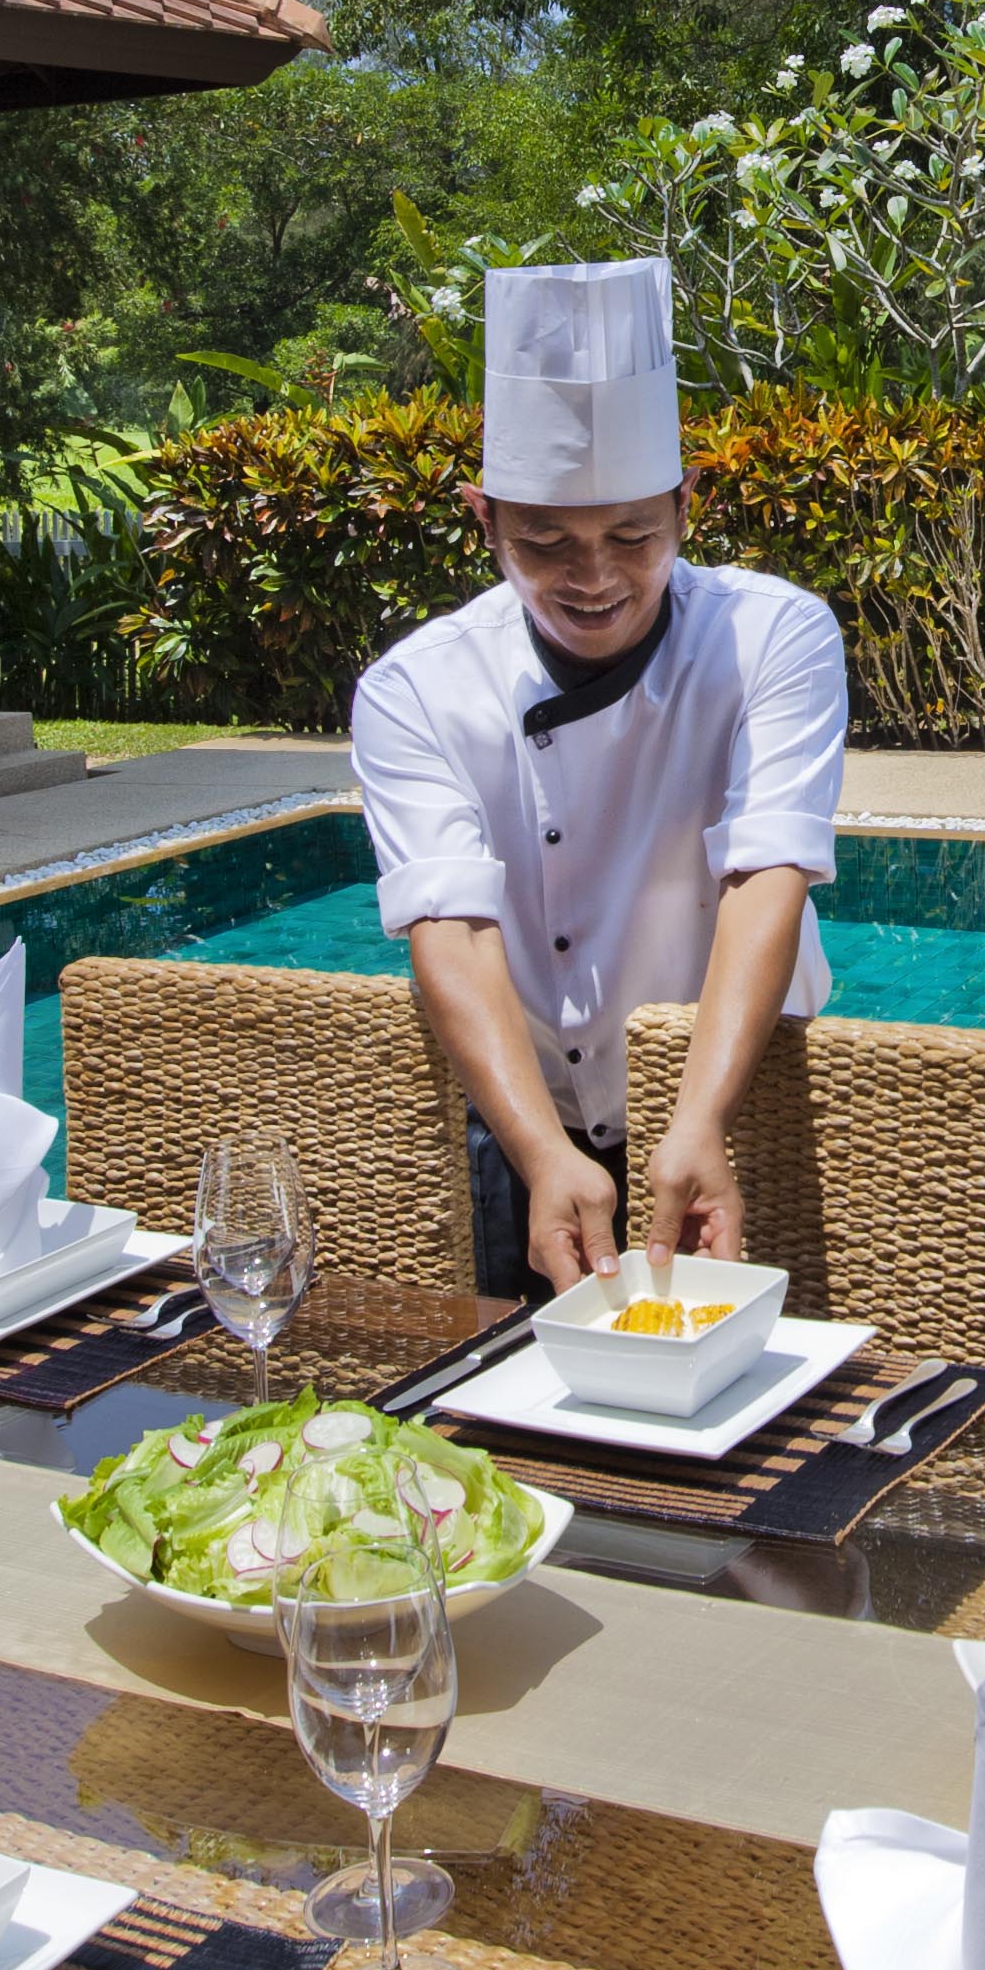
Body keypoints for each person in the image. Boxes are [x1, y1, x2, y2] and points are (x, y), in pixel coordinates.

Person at [353, 258, 849, 1298]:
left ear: (685, 503)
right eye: (545, 541)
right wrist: (539, 1153)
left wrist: (699, 1117)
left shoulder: (773, 634)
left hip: (733, 1095)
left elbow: (766, 872)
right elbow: (450, 923)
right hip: (523, 1114)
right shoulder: (415, 688)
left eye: (633, 534)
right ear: (481, 518)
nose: (593, 575)